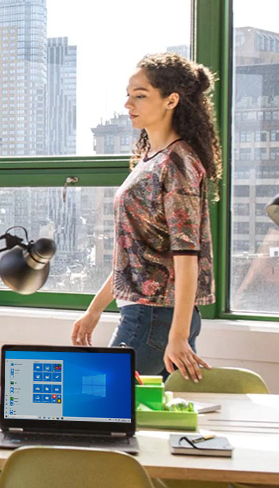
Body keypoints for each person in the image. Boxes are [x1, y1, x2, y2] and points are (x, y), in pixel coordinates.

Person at [69, 53, 221, 382]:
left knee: (98, 404)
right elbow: (136, 254)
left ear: (172, 100)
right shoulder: (151, 160)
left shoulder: (177, 164)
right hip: (150, 314)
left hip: (156, 318)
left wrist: (177, 336)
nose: (128, 104)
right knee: (135, 417)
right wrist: (95, 309)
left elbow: (186, 256)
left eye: (140, 95)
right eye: (128, 94)